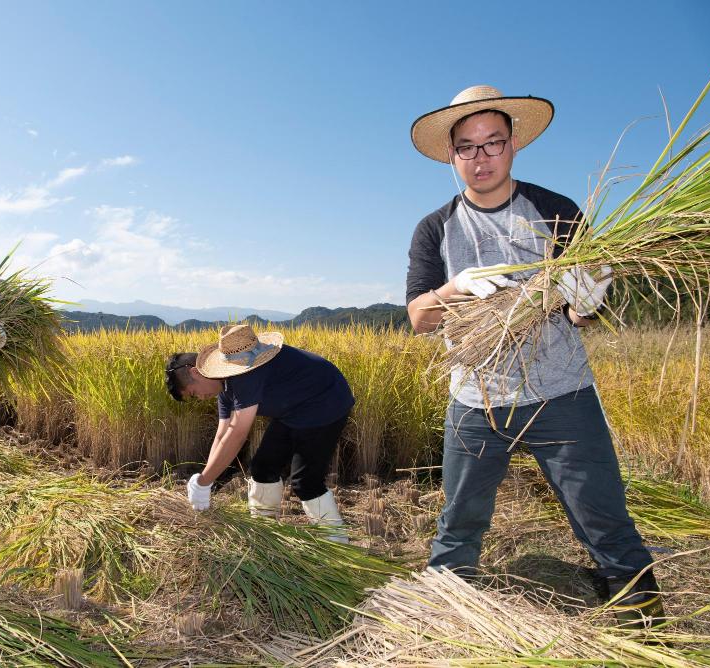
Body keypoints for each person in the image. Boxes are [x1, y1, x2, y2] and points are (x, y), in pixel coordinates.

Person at [404, 86, 662, 624]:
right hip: (476, 402)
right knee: (458, 522)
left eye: (492, 143)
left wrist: (590, 299)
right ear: (451, 155)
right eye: (467, 148)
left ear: (514, 144)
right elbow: (419, 318)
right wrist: (450, 292)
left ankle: (645, 621)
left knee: (603, 516)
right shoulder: (435, 228)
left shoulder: (555, 210)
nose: (481, 158)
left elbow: (582, 312)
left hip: (560, 393)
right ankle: (438, 623)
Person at [165, 324, 355, 542]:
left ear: (195, 373)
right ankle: (264, 535)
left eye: (193, 393)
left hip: (327, 401)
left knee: (305, 482)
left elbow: (237, 434)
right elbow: (222, 435)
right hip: (294, 410)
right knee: (262, 468)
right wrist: (204, 479)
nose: (199, 398)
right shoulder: (224, 387)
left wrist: (204, 482)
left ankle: (338, 545)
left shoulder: (244, 372)